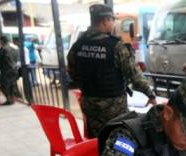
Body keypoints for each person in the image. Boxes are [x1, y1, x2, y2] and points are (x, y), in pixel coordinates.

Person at [67, 4, 157, 138]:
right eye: (112, 20)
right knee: (118, 139)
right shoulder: (115, 45)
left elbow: (72, 71)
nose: (114, 23)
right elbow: (134, 75)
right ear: (105, 21)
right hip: (113, 107)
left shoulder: (78, 44)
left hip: (89, 104)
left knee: (96, 140)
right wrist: (150, 95)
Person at [0, 36, 19, 105]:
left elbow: (0, 60)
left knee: (4, 85)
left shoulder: (3, 49)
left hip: (6, 70)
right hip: (14, 69)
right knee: (12, 85)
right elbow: (16, 58)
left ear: (2, 41)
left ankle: (9, 100)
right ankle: (12, 99)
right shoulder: (14, 48)